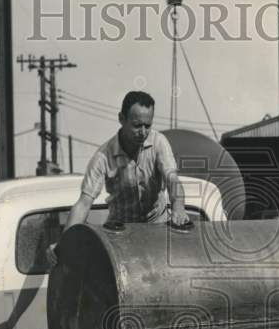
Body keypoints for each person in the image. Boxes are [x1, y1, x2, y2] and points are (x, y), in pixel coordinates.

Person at [49, 91, 190, 265]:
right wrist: (65, 244)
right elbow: (84, 203)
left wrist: (178, 206)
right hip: (121, 234)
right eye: (137, 125)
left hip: (157, 228)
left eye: (148, 125)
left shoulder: (159, 142)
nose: (143, 132)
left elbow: (172, 179)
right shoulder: (102, 156)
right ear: (121, 119)